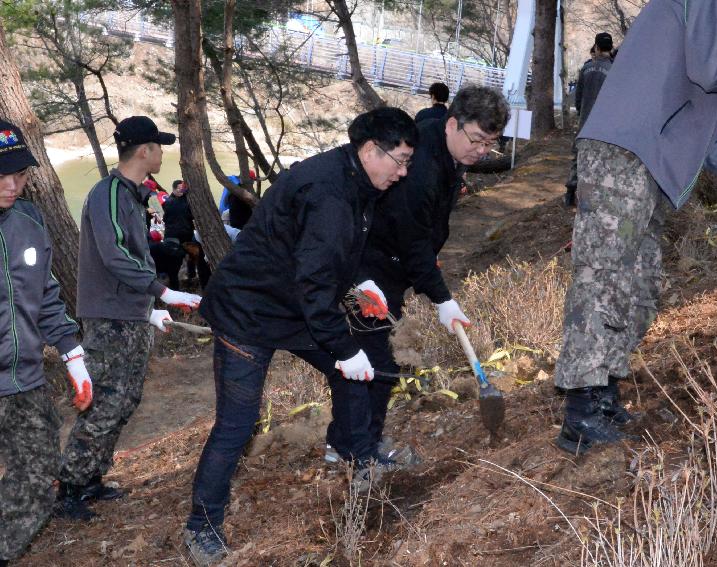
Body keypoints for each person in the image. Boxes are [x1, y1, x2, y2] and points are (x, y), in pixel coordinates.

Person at [552, 0, 717, 455]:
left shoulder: (709, 37)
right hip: (623, 151)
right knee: (606, 276)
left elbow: (700, 131)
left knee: (641, 281)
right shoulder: (708, 2)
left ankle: (603, 388)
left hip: (644, 162)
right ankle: (581, 406)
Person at [182, 107, 417, 566]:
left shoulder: (357, 178)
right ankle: (201, 529)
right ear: (371, 150)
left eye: (409, 161)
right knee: (237, 423)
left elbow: (318, 258)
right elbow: (313, 283)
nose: (404, 172)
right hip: (248, 312)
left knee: (356, 375)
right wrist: (344, 348)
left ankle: (358, 455)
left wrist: (355, 284)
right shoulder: (330, 192)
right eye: (401, 160)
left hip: (291, 306)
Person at [336, 85, 510, 468]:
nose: (482, 151)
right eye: (477, 140)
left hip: (391, 264)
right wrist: (442, 298)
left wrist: (430, 262)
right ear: (452, 124)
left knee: (377, 357)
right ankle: (359, 453)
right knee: (376, 360)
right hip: (366, 269)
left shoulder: (444, 148)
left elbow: (423, 234)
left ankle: (351, 442)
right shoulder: (422, 168)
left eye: (490, 143)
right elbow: (412, 238)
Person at [55, 116, 202, 519]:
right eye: (159, 146)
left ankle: (92, 478)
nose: (162, 153)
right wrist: (164, 292)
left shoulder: (133, 195)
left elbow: (133, 258)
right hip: (109, 320)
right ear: (144, 151)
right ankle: (69, 487)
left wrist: (148, 310)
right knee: (104, 402)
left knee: (126, 400)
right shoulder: (108, 193)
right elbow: (115, 255)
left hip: (129, 316)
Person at [0, 120, 93, 566]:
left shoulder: (30, 220)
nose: (12, 185)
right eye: (1, 175)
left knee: (35, 479)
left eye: (18, 174)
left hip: (24, 381)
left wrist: (72, 354)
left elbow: (47, 294)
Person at [565, 32, 615, 207]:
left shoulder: (586, 68)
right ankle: (593, 198)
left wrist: (582, 112)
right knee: (600, 160)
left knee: (578, 156)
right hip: (605, 125)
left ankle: (571, 194)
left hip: (585, 122)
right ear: (611, 48)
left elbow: (578, 98)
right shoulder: (614, 70)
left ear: (597, 47)